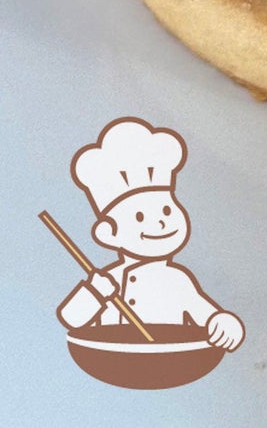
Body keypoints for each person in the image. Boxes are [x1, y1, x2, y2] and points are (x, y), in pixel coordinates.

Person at [55, 117, 244, 350]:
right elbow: (71, 318)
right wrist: (95, 293)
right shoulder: (107, 280)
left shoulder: (177, 280)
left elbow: (204, 312)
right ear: (109, 233)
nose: (161, 223)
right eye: (140, 217)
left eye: (166, 210)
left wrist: (223, 322)